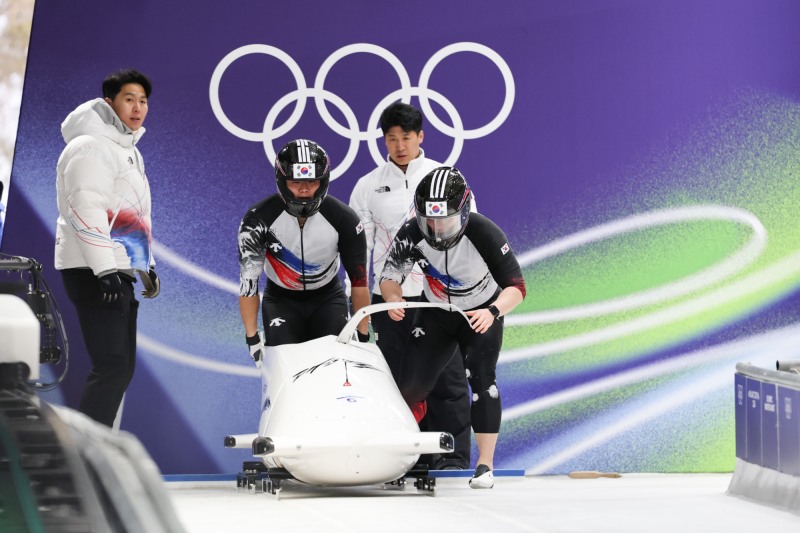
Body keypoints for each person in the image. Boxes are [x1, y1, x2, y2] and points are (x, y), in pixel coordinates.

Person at [380, 166, 526, 488]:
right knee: (412, 386)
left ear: (462, 212)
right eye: (428, 220)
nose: (436, 228)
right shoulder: (411, 233)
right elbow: (390, 277)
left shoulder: (485, 232)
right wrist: (395, 299)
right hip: (437, 312)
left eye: (444, 219)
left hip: (481, 311)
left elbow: (517, 288)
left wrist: (493, 311)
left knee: (481, 376)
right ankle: (399, 461)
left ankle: (485, 465)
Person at [349, 102, 472, 470]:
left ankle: (451, 461)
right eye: (392, 138)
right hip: (389, 299)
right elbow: (359, 253)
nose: (399, 145)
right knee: (398, 383)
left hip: (440, 297)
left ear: (421, 136)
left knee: (448, 382)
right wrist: (359, 309)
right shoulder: (368, 186)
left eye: (406, 137)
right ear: (383, 140)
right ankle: (405, 462)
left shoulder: (446, 179)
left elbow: (468, 239)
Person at [55, 69, 160, 428]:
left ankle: (96, 459)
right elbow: (86, 210)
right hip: (94, 271)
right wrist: (104, 270)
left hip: (115, 270)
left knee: (120, 369)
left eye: (143, 100)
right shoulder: (90, 147)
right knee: (112, 366)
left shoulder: (126, 150)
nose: (137, 107)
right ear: (109, 103)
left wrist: (144, 265)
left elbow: (131, 216)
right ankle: (86, 462)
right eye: (129, 99)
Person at [238, 139, 369, 365]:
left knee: (333, 368)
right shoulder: (257, 220)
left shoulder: (345, 219)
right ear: (281, 180)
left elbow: (359, 282)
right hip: (280, 301)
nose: (304, 190)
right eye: (295, 182)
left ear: (324, 181)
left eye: (312, 181)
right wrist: (251, 337)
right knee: (288, 368)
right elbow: (248, 283)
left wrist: (364, 335)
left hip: (328, 299)